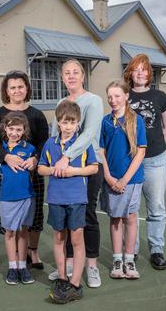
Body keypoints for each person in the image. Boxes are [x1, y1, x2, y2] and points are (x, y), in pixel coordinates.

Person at [48, 59, 104, 288]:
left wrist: (66, 158)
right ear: (63, 78)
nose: (71, 76)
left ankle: (91, 266)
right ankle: (70, 265)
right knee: (67, 219)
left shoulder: (94, 101)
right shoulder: (61, 102)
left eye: (75, 72)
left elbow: (89, 134)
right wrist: (51, 158)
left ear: (83, 76)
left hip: (86, 167)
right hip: (62, 168)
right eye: (67, 73)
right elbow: (54, 135)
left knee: (86, 216)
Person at [0, 70, 49, 269]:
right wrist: (6, 157)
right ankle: (14, 254)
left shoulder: (37, 115)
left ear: (27, 88)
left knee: (34, 209)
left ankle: (33, 251)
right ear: (6, 90)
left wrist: (35, 159)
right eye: (12, 87)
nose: (17, 90)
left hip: (31, 169)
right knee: (9, 211)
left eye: (20, 86)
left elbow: (43, 142)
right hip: (5, 169)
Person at [38, 100, 98, 304]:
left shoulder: (83, 143)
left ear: (78, 123)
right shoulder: (50, 144)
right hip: (56, 198)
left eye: (72, 122)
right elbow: (40, 168)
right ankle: (62, 278)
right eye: (65, 122)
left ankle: (75, 284)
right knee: (58, 238)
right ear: (58, 123)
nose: (68, 126)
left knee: (77, 239)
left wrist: (73, 171)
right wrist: (54, 169)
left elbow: (94, 168)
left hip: (77, 199)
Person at [124, 54, 166, 270]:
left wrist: (151, 146)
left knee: (156, 208)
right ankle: (131, 251)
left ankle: (156, 250)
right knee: (130, 209)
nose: (141, 73)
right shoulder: (124, 96)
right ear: (130, 73)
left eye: (144, 69)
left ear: (149, 73)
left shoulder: (160, 96)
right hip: (129, 162)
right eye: (136, 69)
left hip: (156, 160)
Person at [100, 80, 147, 279]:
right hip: (112, 179)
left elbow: (141, 152)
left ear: (127, 96)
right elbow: (100, 151)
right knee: (115, 218)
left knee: (131, 218)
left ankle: (129, 259)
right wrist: (109, 177)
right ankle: (117, 260)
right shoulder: (105, 121)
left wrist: (125, 180)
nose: (113, 100)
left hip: (132, 179)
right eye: (110, 96)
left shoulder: (137, 121)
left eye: (117, 95)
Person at [0, 112, 37, 285]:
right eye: (11, 128)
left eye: (18, 129)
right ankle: (12, 267)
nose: (14, 132)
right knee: (10, 232)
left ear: (23, 130)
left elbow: (35, 169)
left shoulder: (30, 149)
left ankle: (22, 266)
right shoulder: (0, 150)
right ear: (5, 128)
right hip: (7, 197)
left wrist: (34, 161)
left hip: (27, 196)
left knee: (23, 231)